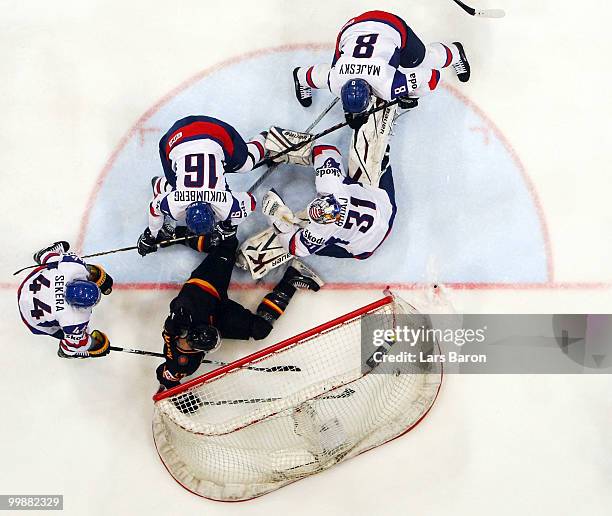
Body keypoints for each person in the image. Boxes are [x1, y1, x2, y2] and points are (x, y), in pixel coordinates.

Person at [155, 229, 323, 409]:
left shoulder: (182, 318)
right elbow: (165, 384)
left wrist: (169, 392)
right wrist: (178, 399)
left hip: (206, 288)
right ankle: (292, 279)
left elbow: (164, 376)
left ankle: (173, 234)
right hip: (216, 317)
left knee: (226, 242)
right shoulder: (183, 364)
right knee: (260, 329)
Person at [137, 115, 267, 256]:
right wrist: (150, 235)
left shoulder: (225, 204)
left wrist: (229, 225)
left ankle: (267, 140)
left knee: (246, 164)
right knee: (177, 182)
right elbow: (154, 207)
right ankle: (159, 184)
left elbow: (250, 201)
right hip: (178, 136)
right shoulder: (175, 203)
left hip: (198, 133)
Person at [292, 10, 470, 111]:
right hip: (352, 28)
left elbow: (431, 76)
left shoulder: (387, 86)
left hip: (390, 25)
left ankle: (455, 53)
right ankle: (300, 76)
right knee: (329, 72)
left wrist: (411, 95)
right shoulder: (337, 79)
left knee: (421, 60)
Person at [265, 143, 396, 260]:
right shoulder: (332, 188)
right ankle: (382, 154)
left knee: (318, 248)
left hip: (366, 246)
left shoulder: (321, 229)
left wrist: (279, 222)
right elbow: (327, 151)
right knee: (378, 155)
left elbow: (295, 249)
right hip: (385, 207)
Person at [17, 241, 113, 358]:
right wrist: (87, 349)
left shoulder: (72, 268)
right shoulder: (72, 319)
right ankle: (44, 254)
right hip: (30, 319)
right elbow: (68, 349)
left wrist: (95, 345)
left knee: (56, 263)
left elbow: (83, 269)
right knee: (73, 343)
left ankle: (45, 254)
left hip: (28, 285)